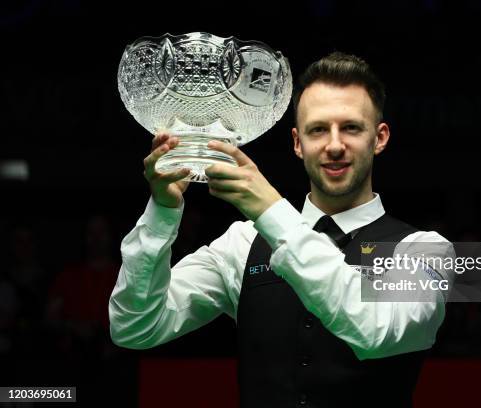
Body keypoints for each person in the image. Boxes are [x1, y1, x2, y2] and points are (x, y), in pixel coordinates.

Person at [109, 52, 454, 407]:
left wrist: (270, 209)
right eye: (318, 129)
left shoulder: (425, 250)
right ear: (297, 142)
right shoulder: (242, 243)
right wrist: (163, 212)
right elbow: (134, 328)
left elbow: (377, 331)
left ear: (379, 138)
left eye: (351, 127)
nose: (334, 145)